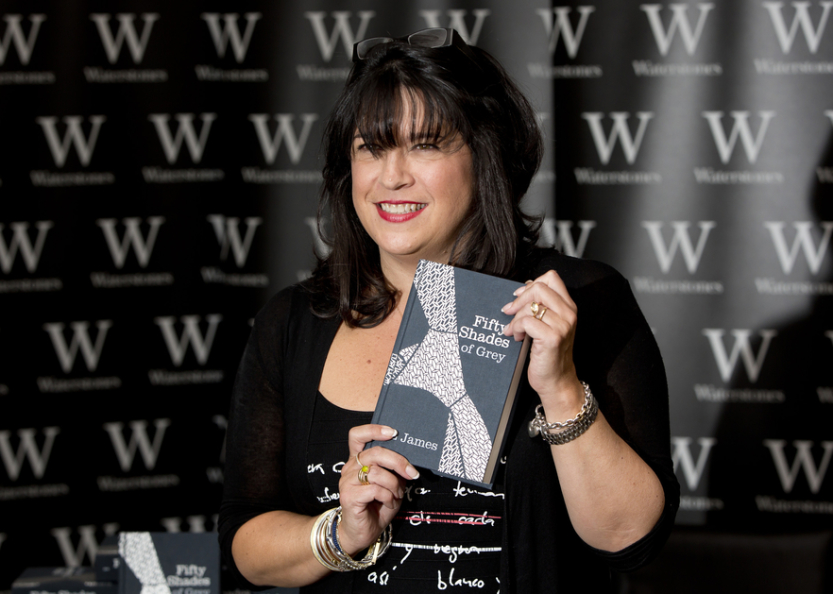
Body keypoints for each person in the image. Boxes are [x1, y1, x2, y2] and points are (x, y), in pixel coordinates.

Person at [218, 28, 679, 593]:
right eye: (371, 147)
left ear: (486, 156)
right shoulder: (293, 323)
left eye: (426, 144)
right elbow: (245, 542)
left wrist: (560, 390)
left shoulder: (577, 300)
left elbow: (629, 538)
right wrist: (339, 534)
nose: (393, 176)